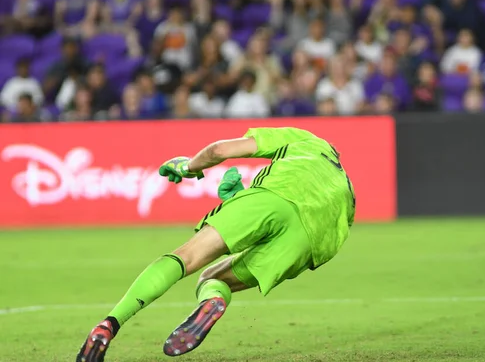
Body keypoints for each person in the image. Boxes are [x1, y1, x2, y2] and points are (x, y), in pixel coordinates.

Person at [76, 126, 356, 362]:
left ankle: (109, 324)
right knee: (212, 278)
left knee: (186, 258)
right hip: (306, 243)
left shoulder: (306, 140)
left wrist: (188, 166)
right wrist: (242, 198)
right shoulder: (349, 197)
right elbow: (324, 243)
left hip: (271, 198)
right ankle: (214, 297)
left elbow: (218, 151)